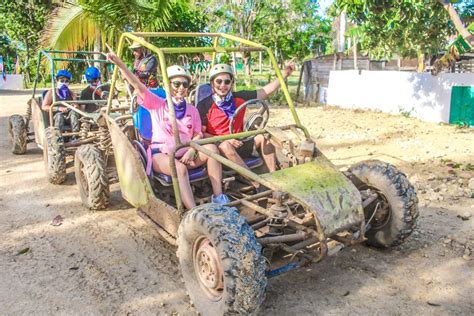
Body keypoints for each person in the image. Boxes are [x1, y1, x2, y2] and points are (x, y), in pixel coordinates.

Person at [107, 51, 229, 209]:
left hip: (187, 154)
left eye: (185, 84)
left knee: (212, 149)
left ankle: (219, 198)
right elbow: (137, 85)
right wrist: (120, 64)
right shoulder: (158, 104)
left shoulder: (192, 110)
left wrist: (192, 150)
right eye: (176, 84)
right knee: (179, 167)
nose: (181, 88)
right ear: (167, 85)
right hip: (163, 155)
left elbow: (198, 134)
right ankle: (194, 212)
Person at [197, 62, 295, 176]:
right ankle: (256, 183)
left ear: (232, 83)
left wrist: (285, 74)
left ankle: (273, 177)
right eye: (219, 81)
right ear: (212, 83)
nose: (223, 85)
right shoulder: (204, 105)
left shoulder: (239, 97)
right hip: (219, 147)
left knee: (264, 138)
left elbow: (265, 91)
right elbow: (202, 134)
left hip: (240, 142)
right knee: (226, 146)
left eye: (227, 81)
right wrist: (224, 139)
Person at [42, 69, 80, 135]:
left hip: (68, 116)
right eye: (62, 81)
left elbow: (77, 107)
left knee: (74, 113)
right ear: (57, 81)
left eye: (66, 81)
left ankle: (75, 135)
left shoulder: (71, 93)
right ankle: (58, 137)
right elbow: (44, 106)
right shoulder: (52, 92)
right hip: (55, 116)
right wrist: (59, 108)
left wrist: (75, 105)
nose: (64, 83)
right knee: (59, 116)